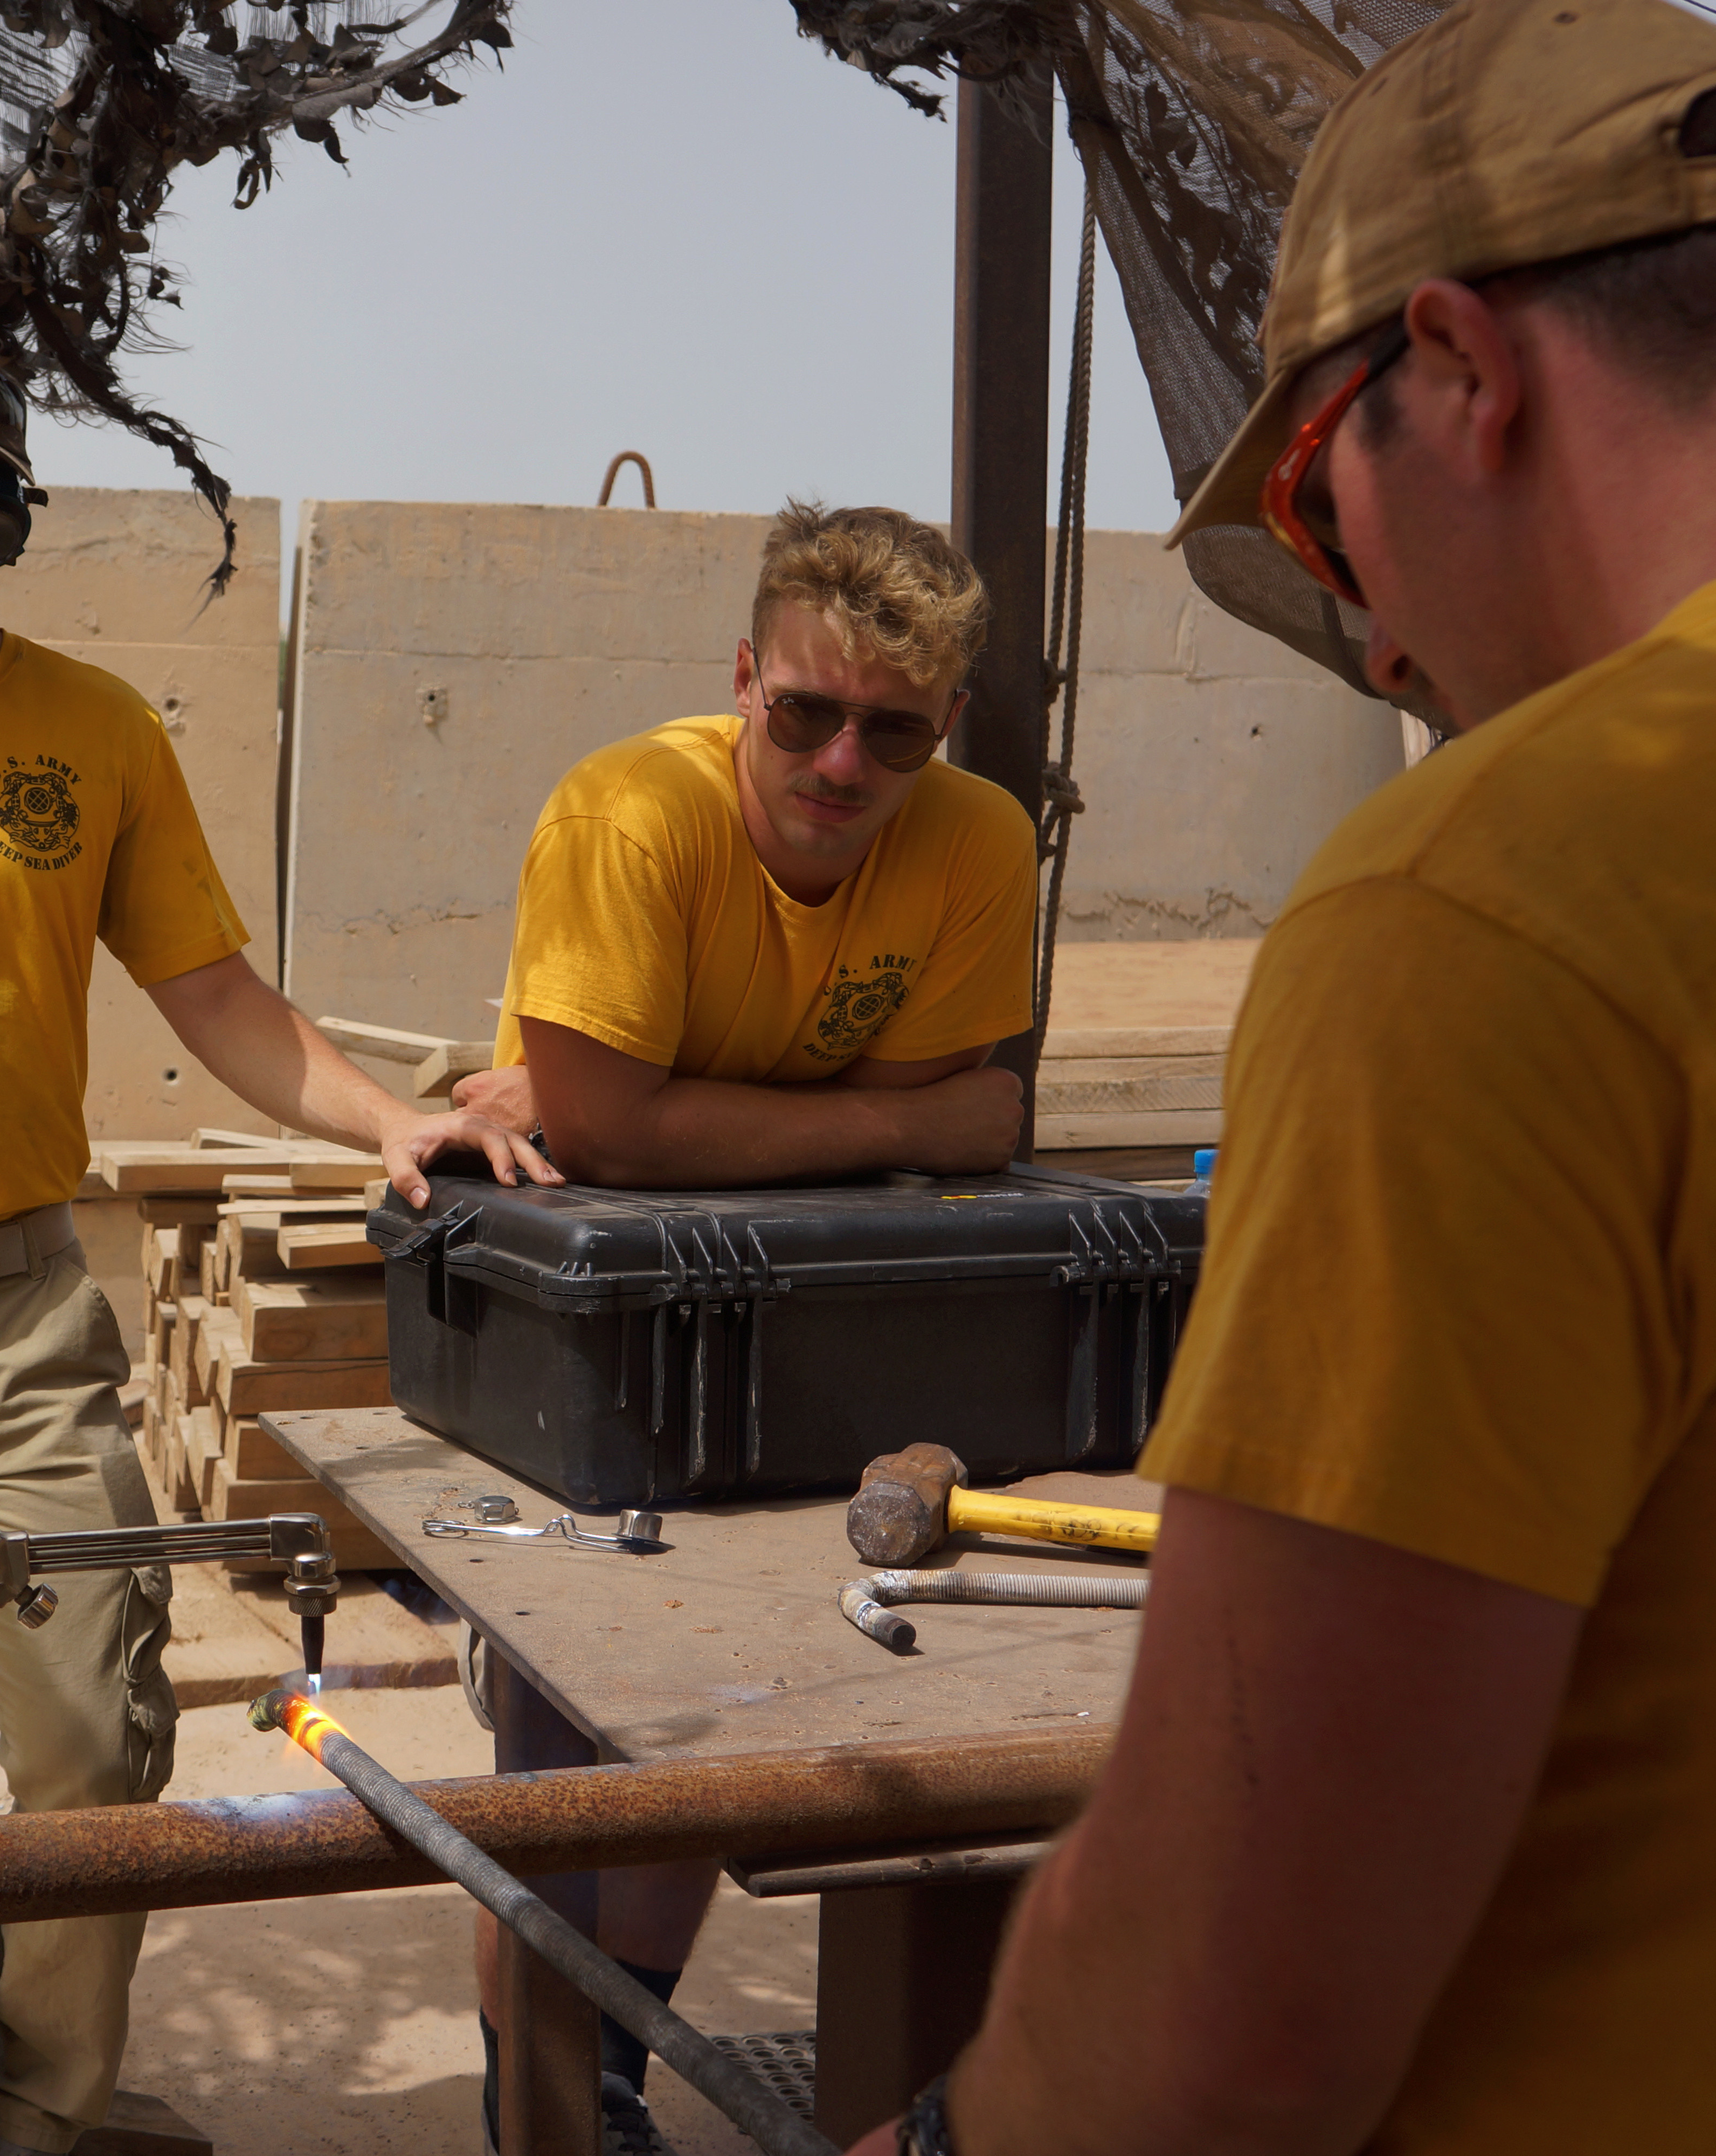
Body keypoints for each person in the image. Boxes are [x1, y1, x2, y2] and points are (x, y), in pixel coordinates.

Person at [847, 4, 1716, 2151]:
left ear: (1465, 375)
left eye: (1315, 508)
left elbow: (1221, 2033)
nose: (1372, 645)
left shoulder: (1518, 884)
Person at [0, 353, 554, 2156]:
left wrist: (386, 1122)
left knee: (94, 1743)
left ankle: (43, 2110)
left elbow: (210, 990)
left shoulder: (94, 732)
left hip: (26, 1319)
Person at [453, 502, 1033, 2150]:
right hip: (597, 1321)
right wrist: (863, 1119)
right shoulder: (628, 812)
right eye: (803, 713)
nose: (842, 763)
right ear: (741, 682)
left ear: (945, 730)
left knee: (743, 1708)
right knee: (581, 1719)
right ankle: (555, 2096)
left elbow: (948, 1109)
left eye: (891, 731)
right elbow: (640, 1139)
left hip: (800, 1311)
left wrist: (640, 1106)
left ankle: (607, 2065)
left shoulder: (978, 838)